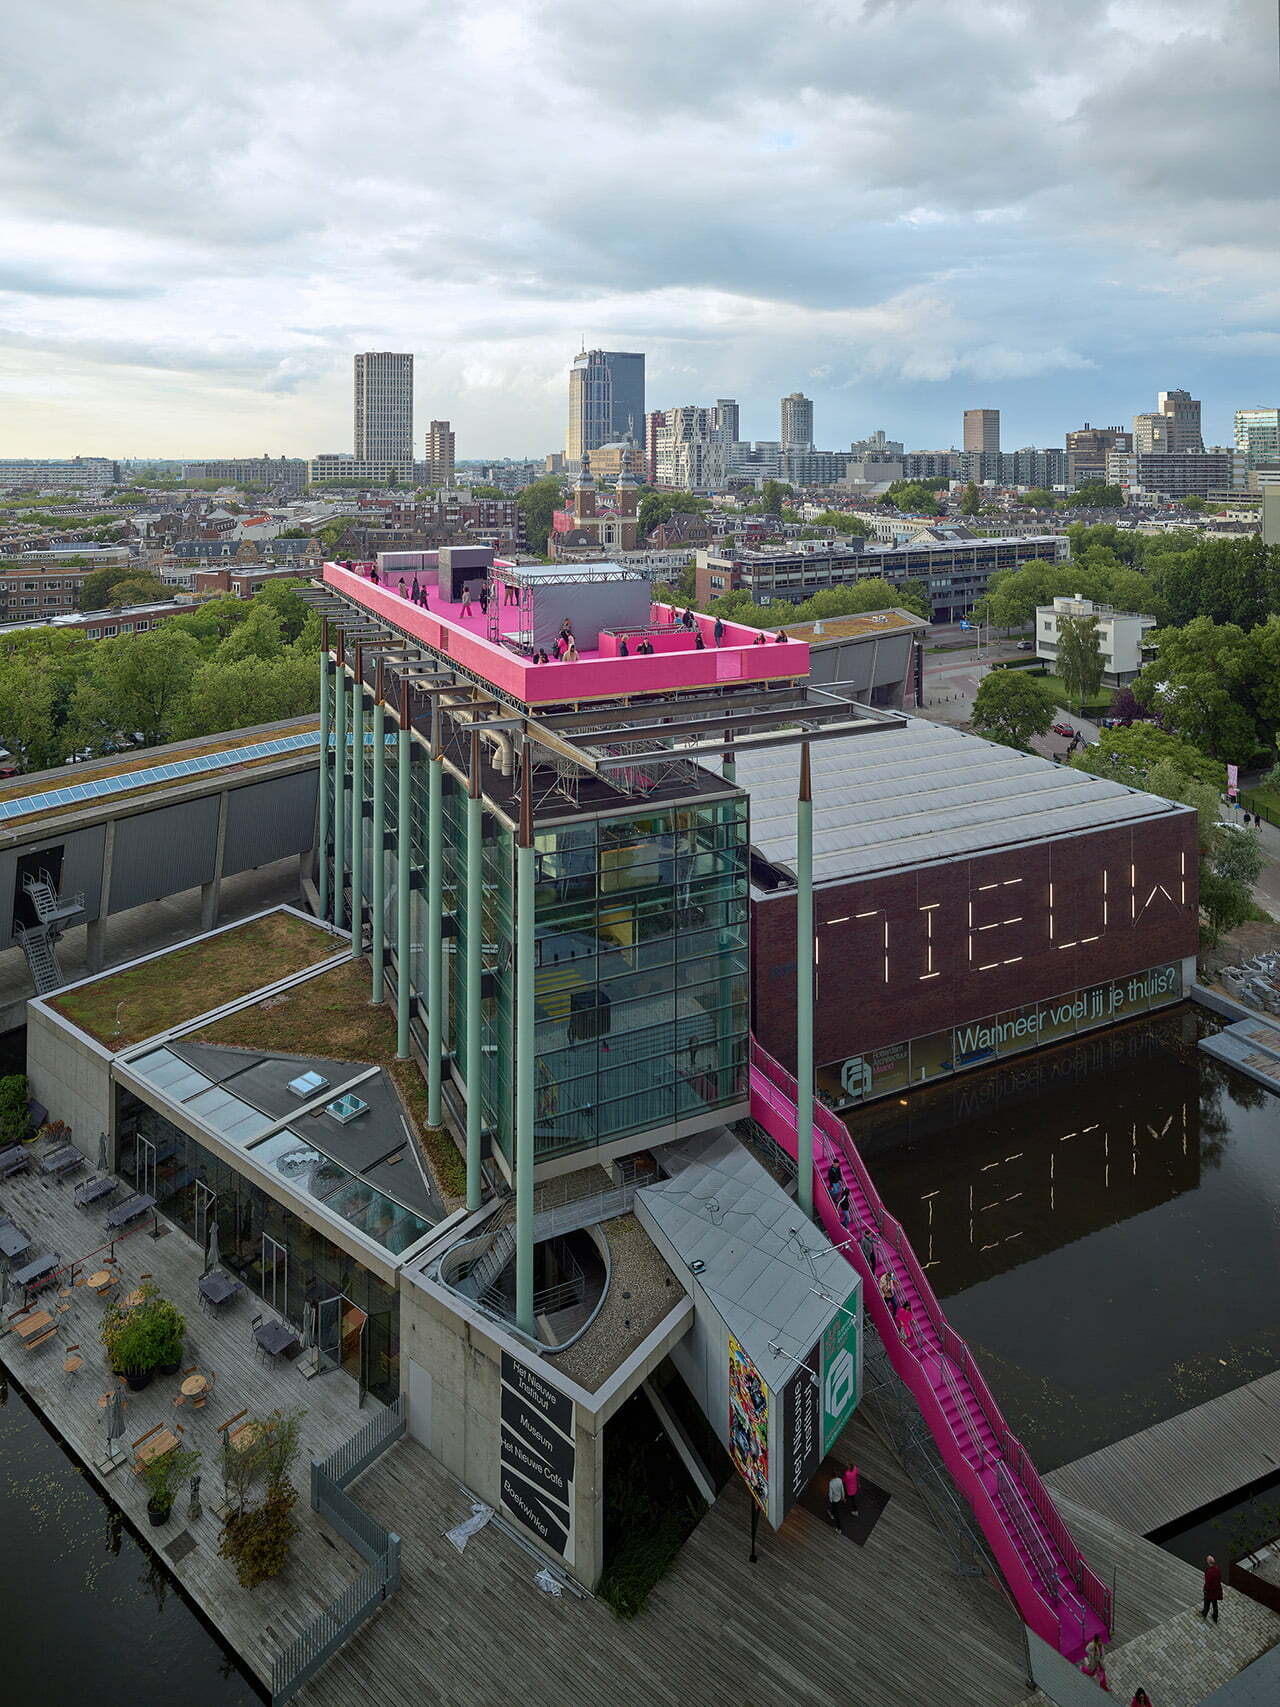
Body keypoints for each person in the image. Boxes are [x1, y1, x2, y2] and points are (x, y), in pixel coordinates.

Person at [1201, 1555, 1222, 1622]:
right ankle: (1215, 1617)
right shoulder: (1217, 1569)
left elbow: (1208, 1583)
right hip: (1216, 1590)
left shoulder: (1209, 1571)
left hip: (1210, 1591)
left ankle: (1204, 1613)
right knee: (1214, 1604)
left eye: (1207, 1560)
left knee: (1207, 1603)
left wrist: (1205, 1590)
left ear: (1209, 1562)